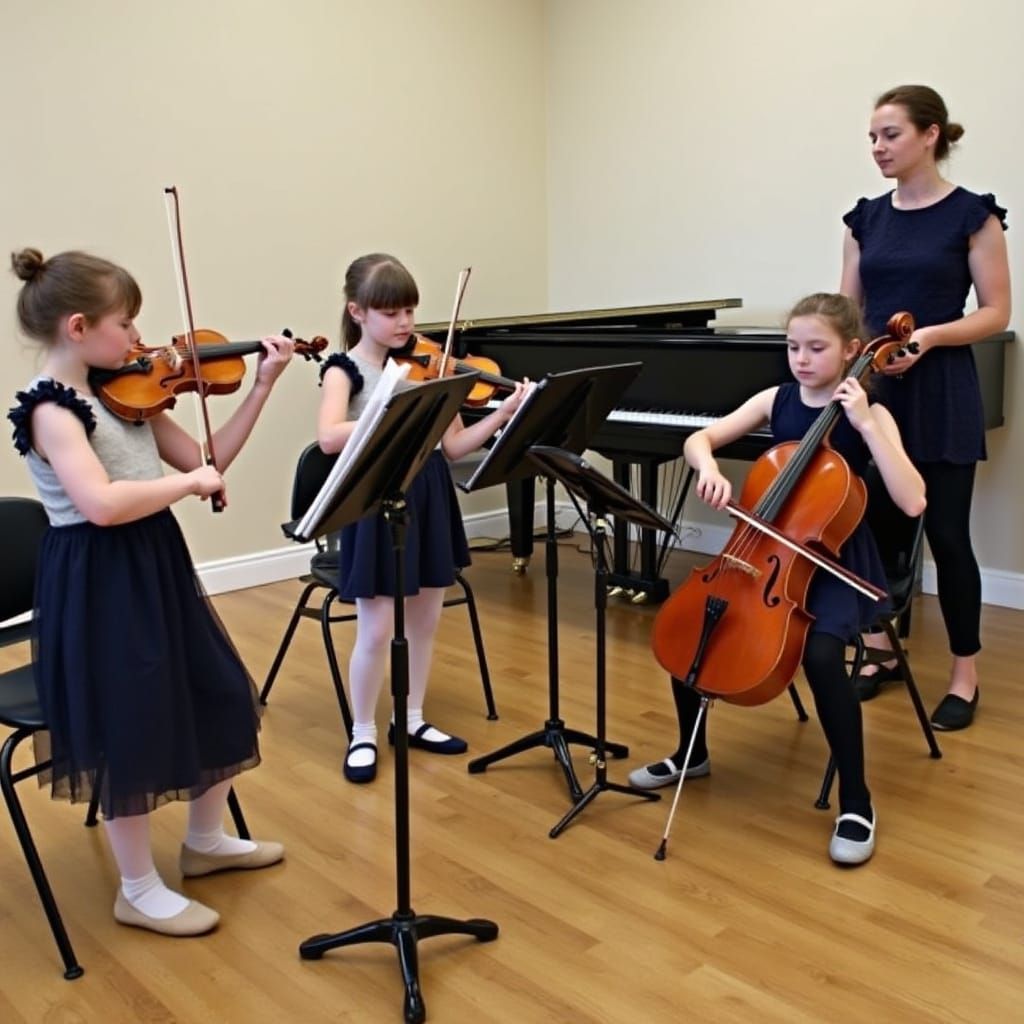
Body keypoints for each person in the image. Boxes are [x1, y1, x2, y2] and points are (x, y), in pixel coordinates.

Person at [7, 248, 292, 937]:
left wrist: (261, 386)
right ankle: (135, 887)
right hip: (99, 572)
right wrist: (186, 488)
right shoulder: (51, 409)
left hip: (153, 557)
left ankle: (204, 842)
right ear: (78, 327)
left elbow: (205, 460)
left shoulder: (126, 391)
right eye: (126, 324)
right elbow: (101, 504)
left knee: (219, 691)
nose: (141, 340)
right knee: (128, 723)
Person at [628, 293, 926, 865]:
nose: (803, 359)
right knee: (698, 622)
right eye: (793, 347)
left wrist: (864, 422)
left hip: (836, 561)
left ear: (852, 351)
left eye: (817, 348)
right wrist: (709, 468)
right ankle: (692, 754)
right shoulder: (777, 400)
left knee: (820, 655)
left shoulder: (872, 413)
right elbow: (699, 439)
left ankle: (858, 801)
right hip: (764, 551)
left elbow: (913, 501)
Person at [317, 253, 531, 784]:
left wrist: (502, 413)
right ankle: (363, 730)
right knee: (376, 627)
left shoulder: (430, 366)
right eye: (391, 312)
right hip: (378, 495)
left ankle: (411, 719)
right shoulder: (345, 369)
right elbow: (328, 436)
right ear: (358, 311)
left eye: (410, 311)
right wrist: (391, 410)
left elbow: (455, 445)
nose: (405, 324)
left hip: (430, 493)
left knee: (426, 619)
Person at [840, 84, 1011, 731]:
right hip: (879, 389)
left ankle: (965, 674)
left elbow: (997, 311)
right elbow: (851, 310)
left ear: (930, 134)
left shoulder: (972, 214)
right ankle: (881, 650)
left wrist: (930, 336)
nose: (878, 148)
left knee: (946, 536)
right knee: (875, 529)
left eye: (890, 134)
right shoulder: (864, 219)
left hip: (940, 388)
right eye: (873, 137)